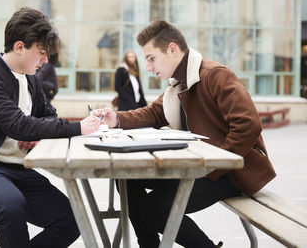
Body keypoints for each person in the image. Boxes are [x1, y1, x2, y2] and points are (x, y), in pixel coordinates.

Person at [94, 19, 276, 248]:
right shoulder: (177, 85)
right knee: (125, 175)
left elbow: (247, 125)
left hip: (231, 171)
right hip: (198, 165)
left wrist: (212, 166)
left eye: (151, 58)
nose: (148, 67)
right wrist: (117, 118)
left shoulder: (215, 75)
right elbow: (155, 112)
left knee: (154, 209)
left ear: (172, 49)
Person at [0, 7, 101, 248]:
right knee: (10, 205)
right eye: (41, 53)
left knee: (72, 219)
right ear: (19, 47)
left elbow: (48, 117)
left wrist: (39, 135)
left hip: (17, 170)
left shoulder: (29, 78)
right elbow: (19, 126)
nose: (46, 60)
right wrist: (78, 128)